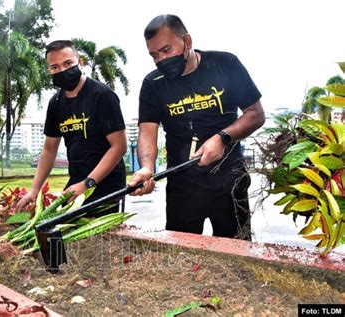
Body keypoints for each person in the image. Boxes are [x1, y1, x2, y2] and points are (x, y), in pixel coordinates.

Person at [128, 15, 265, 240]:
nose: (160, 60)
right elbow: (147, 132)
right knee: (181, 257)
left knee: (237, 256)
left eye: (166, 50)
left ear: (187, 41)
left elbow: (256, 114)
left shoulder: (225, 64)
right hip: (183, 185)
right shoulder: (153, 84)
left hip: (230, 181)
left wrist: (223, 138)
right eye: (154, 55)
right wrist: (146, 167)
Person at [16, 40, 127, 216]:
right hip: (76, 184)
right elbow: (49, 149)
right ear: (49, 70)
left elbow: (119, 146)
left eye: (67, 63)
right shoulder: (56, 103)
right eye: (55, 67)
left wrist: (87, 183)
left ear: (79, 62)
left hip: (107, 186)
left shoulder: (102, 95)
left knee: (105, 241)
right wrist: (34, 190)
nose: (62, 71)